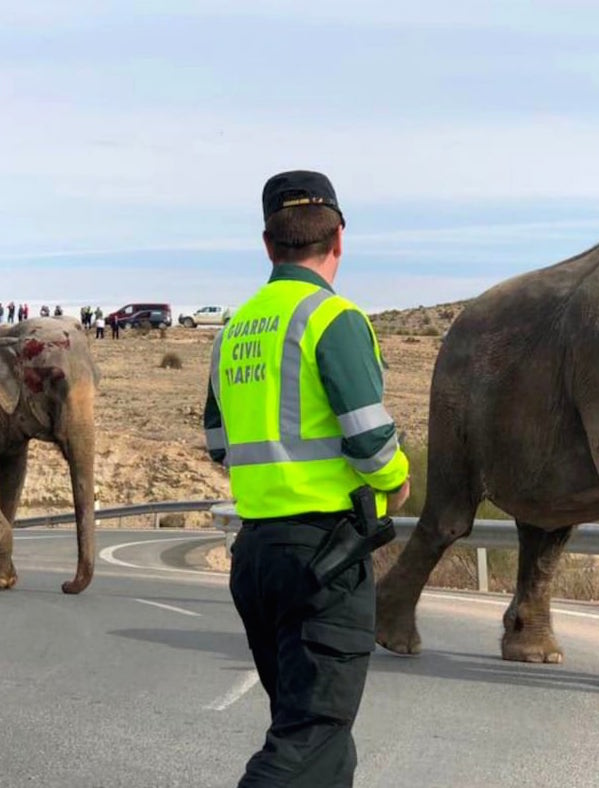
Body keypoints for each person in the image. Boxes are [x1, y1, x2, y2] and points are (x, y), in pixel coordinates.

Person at [204, 170, 410, 786]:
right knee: (308, 739)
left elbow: (220, 445)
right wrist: (396, 478)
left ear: (268, 244)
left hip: (258, 556)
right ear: (339, 237)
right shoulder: (332, 318)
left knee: (318, 739)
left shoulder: (233, 330)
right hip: (327, 557)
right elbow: (372, 441)